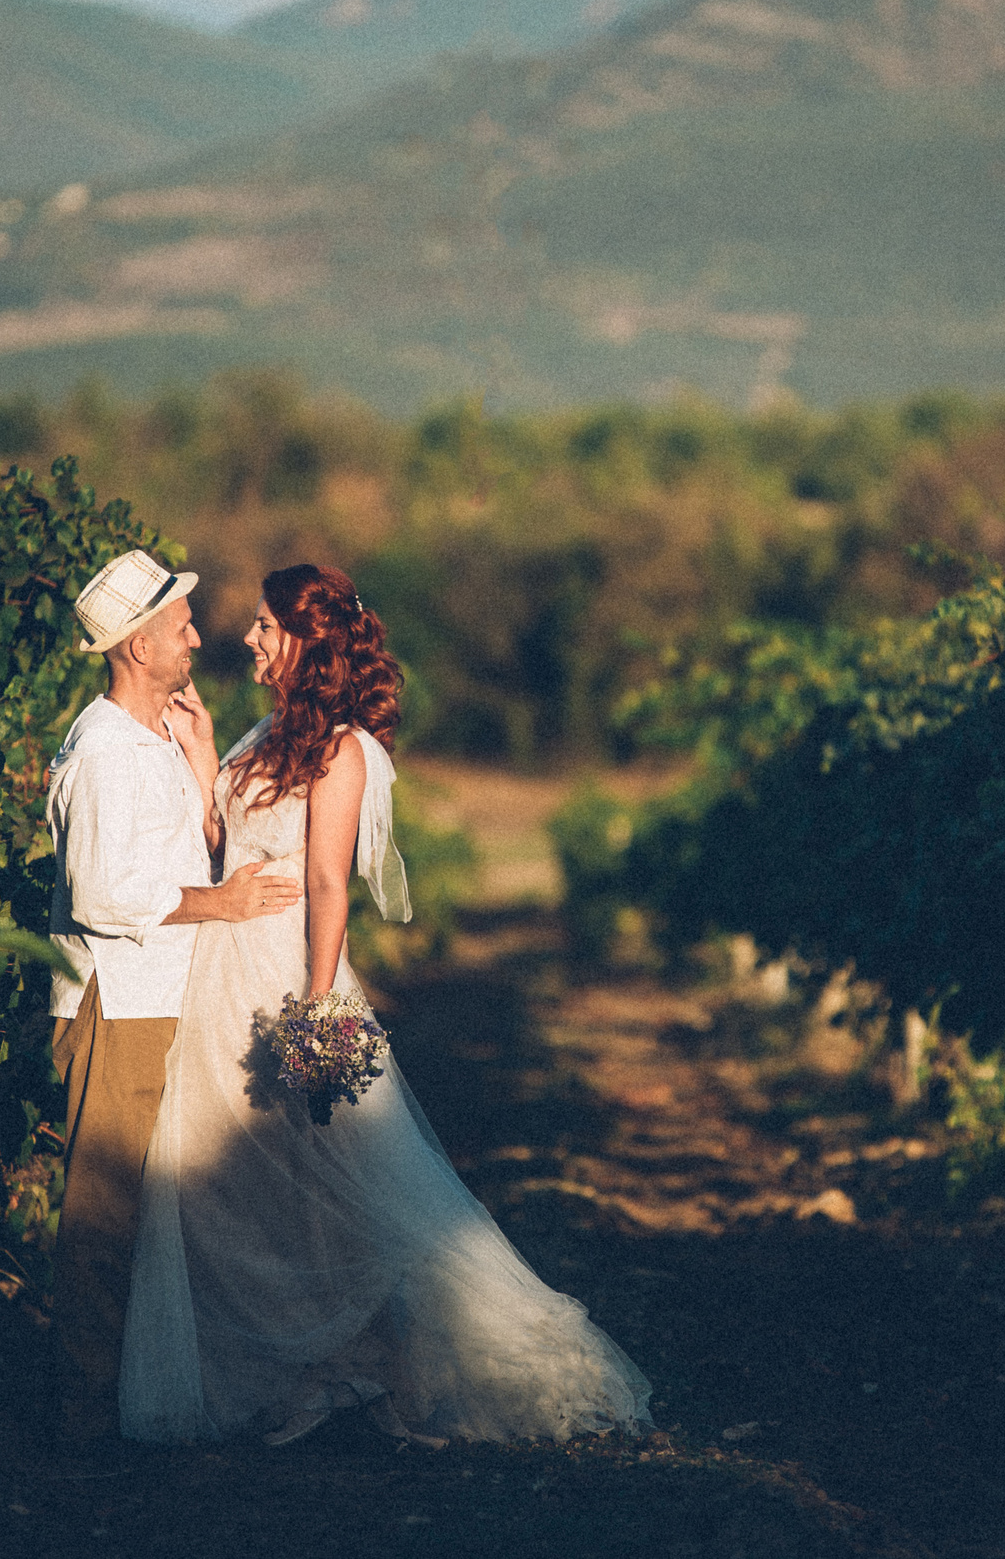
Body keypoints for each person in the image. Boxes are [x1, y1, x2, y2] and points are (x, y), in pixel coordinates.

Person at [119, 563, 652, 1446]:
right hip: (219, 980)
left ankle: (367, 1369)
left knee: (346, 1184)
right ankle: (313, 1374)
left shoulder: (343, 748)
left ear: (304, 639)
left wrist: (318, 1011)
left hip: (289, 979)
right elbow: (225, 848)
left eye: (263, 625)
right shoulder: (261, 734)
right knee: (255, 1187)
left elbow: (329, 883)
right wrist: (207, 755)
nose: (246, 638)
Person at [43, 548, 302, 1442]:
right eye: (179, 624)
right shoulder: (103, 750)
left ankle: (138, 1393)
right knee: (105, 1207)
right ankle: (82, 1405)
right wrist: (220, 905)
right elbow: (99, 894)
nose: (197, 635)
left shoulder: (153, 739)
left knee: (163, 1207)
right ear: (137, 647)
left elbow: (192, 845)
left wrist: (199, 754)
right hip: (120, 1001)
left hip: (164, 993)